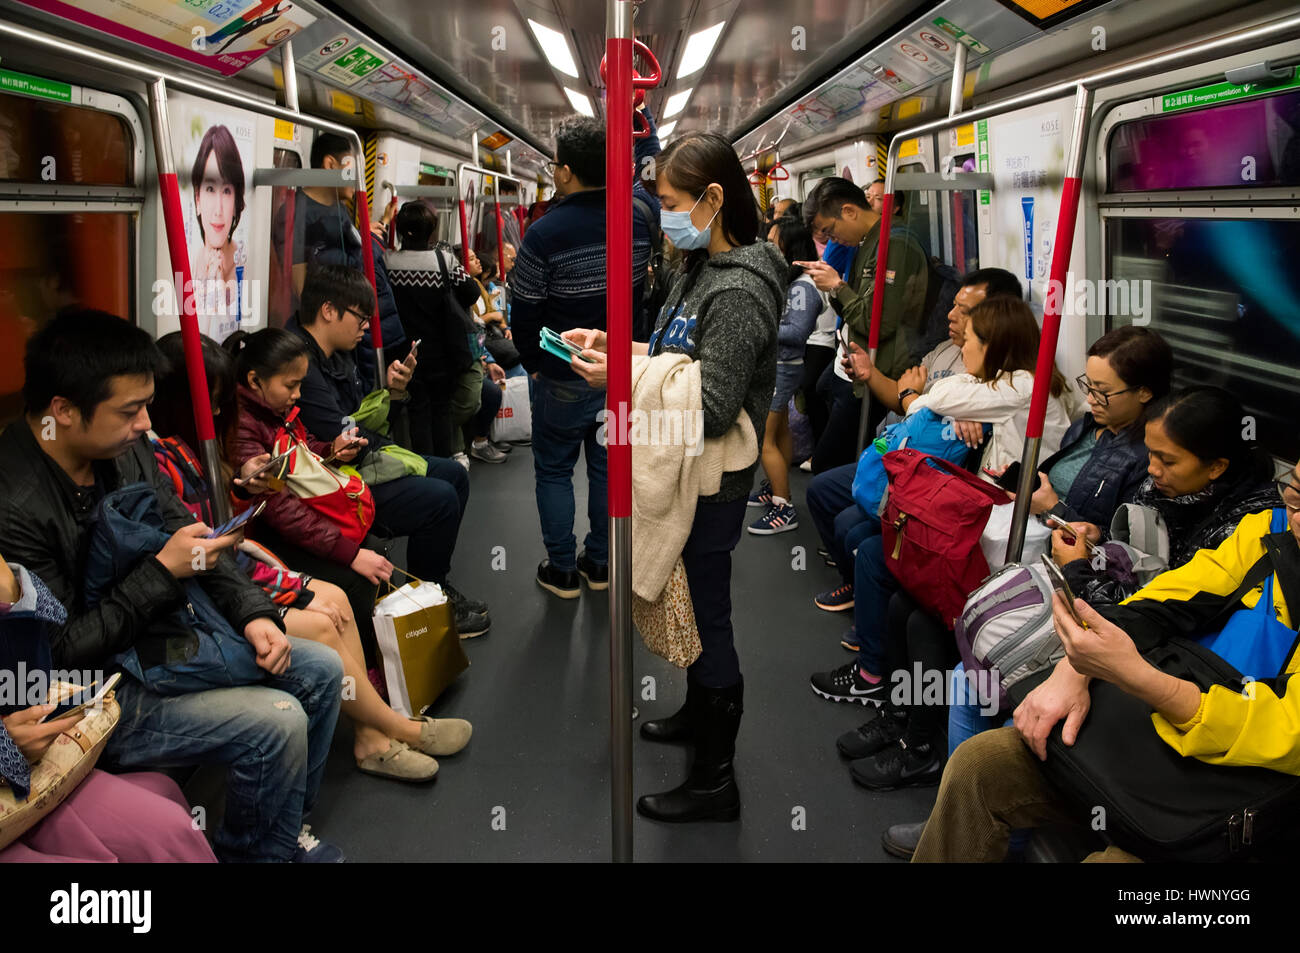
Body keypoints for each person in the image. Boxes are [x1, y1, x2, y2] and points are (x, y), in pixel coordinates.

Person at [0, 310, 345, 862]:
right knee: (275, 722)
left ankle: (277, 836)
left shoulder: (124, 449)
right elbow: (60, 654)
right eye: (130, 410)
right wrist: (164, 570)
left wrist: (255, 613)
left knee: (322, 670)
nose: (146, 425)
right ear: (62, 411)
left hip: (156, 639)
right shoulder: (15, 507)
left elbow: (197, 540)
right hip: (96, 689)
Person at [911, 463, 1300, 862]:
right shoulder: (1268, 530)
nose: (1297, 513)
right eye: (1296, 491)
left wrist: (1140, 678)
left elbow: (1288, 730)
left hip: (1249, 786)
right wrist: (1076, 667)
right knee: (980, 766)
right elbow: (1165, 599)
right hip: (1168, 727)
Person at [565, 131, 786, 822]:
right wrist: (617, 348)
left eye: (668, 202)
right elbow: (673, 354)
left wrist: (626, 374)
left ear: (713, 200)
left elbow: (714, 403)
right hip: (692, 472)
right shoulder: (698, 267)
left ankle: (717, 781)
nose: (660, 215)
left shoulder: (742, 289)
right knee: (693, 606)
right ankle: (698, 714)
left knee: (709, 618)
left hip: (713, 485)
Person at [151, 332, 467, 782]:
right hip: (208, 598)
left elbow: (235, 531)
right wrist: (294, 582)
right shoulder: (177, 459)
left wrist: (246, 485)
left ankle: (370, 738)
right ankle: (392, 727)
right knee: (328, 613)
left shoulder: (221, 442)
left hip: (236, 568)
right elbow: (220, 552)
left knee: (336, 596)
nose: (222, 412)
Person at [809, 294, 1074, 717]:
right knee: (862, 533)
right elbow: (946, 394)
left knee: (877, 555)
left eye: (969, 339)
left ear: (993, 347)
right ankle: (879, 671)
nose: (961, 348)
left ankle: (874, 675)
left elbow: (936, 393)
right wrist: (953, 400)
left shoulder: (1022, 387)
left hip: (1008, 530)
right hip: (986, 510)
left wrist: (932, 394)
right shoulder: (1006, 385)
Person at [278, 265, 491, 637]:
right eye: (361, 317)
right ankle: (425, 603)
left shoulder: (339, 353)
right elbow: (344, 435)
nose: (366, 327)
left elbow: (361, 422)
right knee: (439, 497)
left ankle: (431, 587)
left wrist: (392, 394)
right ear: (329, 311)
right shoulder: (302, 364)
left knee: (454, 475)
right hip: (334, 482)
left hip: (354, 460)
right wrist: (384, 432)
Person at [803, 268, 1022, 616]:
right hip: (895, 448)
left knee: (851, 524)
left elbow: (922, 398)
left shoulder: (999, 381)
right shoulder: (944, 353)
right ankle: (856, 580)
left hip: (922, 467)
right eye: (954, 305)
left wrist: (923, 399)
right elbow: (905, 395)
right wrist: (871, 374)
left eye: (965, 311)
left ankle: (865, 591)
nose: (951, 315)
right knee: (823, 486)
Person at [511, 105, 661, 599]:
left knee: (553, 468)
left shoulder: (543, 234)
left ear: (567, 171)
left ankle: (561, 570)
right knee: (605, 467)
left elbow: (526, 312)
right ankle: (600, 562)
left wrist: (533, 365)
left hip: (562, 372)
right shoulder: (639, 218)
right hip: (621, 368)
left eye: (555, 163)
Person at [0, 556, 219, 862]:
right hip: (18, 785)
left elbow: (27, 685)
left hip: (38, 772)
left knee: (171, 823)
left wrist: (12, 589)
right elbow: (71, 645)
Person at [799, 177, 930, 472]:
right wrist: (836, 286)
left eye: (831, 231)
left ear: (849, 211)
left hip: (882, 370)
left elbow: (876, 324)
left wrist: (837, 287)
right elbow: (858, 303)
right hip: (863, 366)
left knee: (828, 465)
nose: (834, 240)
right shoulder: (868, 242)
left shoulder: (893, 244)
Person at [271, 131, 407, 382]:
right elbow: (301, 290)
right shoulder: (296, 212)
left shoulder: (340, 210)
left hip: (354, 330)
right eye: (353, 170)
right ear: (330, 165)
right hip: (330, 332)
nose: (357, 181)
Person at [385, 202, 486, 458]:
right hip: (442, 350)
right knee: (441, 409)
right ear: (431, 230)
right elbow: (472, 293)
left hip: (405, 351)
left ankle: (424, 466)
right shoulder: (444, 260)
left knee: (418, 409)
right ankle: (445, 464)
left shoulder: (388, 261)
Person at [747, 215, 825, 534]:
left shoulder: (803, 286)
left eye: (776, 240)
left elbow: (797, 330)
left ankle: (784, 506)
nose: (770, 245)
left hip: (784, 367)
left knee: (762, 439)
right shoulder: (791, 281)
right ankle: (776, 486)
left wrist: (759, 325)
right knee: (780, 433)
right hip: (782, 366)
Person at [189, 124, 246, 338]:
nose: (219, 209)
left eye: (227, 190)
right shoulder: (189, 264)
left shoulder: (242, 259)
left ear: (237, 200)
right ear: (197, 199)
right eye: (211, 189)